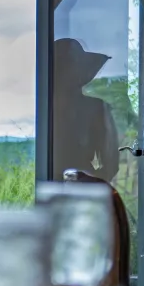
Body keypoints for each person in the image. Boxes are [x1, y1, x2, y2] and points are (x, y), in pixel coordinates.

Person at [53, 38, 121, 183]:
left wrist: (86, 185)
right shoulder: (96, 108)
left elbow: (110, 164)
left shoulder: (97, 109)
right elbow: (110, 164)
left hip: (78, 192)